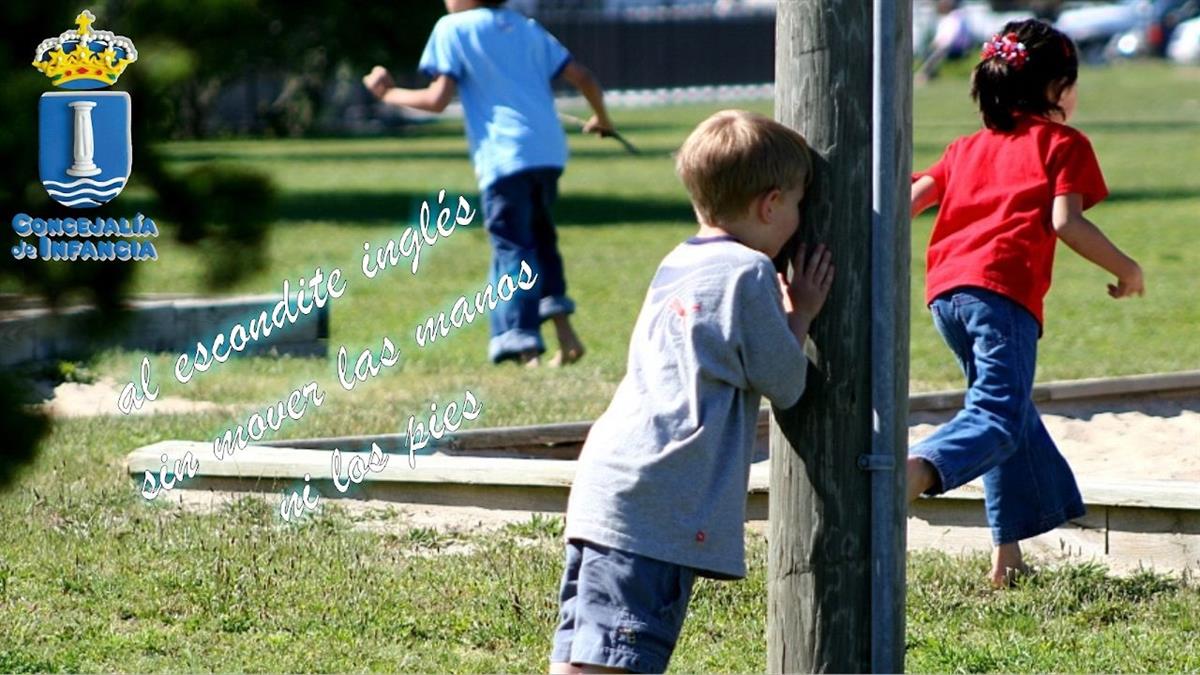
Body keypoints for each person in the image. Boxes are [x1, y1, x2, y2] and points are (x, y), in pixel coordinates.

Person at [550, 110, 834, 674]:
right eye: (800, 206)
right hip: (658, 498)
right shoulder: (749, 272)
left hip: (613, 482)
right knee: (619, 658)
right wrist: (799, 315)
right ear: (769, 204)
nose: (801, 223)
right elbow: (786, 382)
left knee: (585, 652)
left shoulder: (679, 259)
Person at [907, 19, 1145, 587]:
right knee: (996, 415)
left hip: (946, 297)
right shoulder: (1064, 145)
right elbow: (1067, 221)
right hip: (1001, 294)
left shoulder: (964, 148)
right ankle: (906, 476)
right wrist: (1126, 267)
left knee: (1008, 416)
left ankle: (1006, 558)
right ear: (1056, 89)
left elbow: (909, 200)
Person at [363, 0, 615, 366]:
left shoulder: (453, 29)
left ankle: (524, 346)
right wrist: (602, 119)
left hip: (503, 157)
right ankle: (566, 336)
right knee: (541, 240)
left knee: (514, 248)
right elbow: (583, 77)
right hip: (547, 154)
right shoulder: (527, 27)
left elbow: (437, 99)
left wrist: (388, 94)